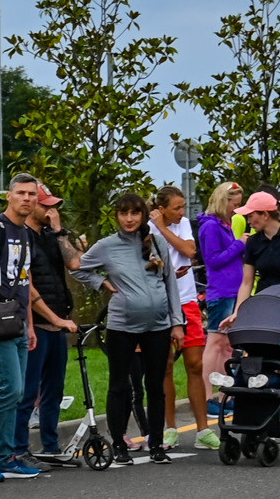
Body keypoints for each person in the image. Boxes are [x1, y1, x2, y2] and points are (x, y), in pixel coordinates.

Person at [75, 190, 184, 465]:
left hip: (158, 325)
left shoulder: (157, 242)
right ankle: (120, 444)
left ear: (144, 215)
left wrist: (177, 322)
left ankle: (156, 445)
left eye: (135, 213)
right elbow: (78, 268)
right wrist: (101, 283)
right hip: (122, 326)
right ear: (116, 216)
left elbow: (170, 283)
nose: (129, 219)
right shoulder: (106, 245)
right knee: (119, 385)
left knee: (155, 386)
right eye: (123, 213)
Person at [0, 176, 44, 483]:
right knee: (9, 388)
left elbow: (24, 282)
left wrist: (29, 324)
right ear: (8, 196)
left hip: (18, 320)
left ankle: (5, 456)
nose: (26, 199)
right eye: (21, 193)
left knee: (18, 392)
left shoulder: (27, 234)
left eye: (31, 194)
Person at [16, 175, 84, 464]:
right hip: (39, 325)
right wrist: (53, 318)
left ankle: (50, 444)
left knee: (54, 390)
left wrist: (60, 232)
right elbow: (26, 286)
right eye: (46, 207)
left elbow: (76, 263)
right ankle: (18, 447)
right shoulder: (21, 236)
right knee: (28, 390)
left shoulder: (52, 237)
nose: (51, 211)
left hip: (58, 324)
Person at [149, 185, 209, 449]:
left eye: (183, 206)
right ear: (161, 209)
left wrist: (164, 228)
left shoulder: (181, 224)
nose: (182, 212)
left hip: (187, 301)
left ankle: (203, 430)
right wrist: (157, 229)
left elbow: (189, 250)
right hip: (162, 302)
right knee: (165, 365)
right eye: (176, 207)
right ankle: (169, 428)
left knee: (196, 364)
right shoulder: (147, 229)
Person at [192, 182, 247, 449]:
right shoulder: (211, 227)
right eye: (234, 202)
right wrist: (239, 245)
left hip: (232, 290)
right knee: (215, 341)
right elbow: (213, 259)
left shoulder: (223, 225)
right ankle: (208, 395)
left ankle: (224, 391)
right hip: (222, 291)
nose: (237, 208)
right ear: (223, 201)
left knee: (227, 343)